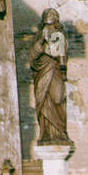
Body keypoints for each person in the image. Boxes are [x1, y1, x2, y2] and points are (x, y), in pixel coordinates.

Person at [31, 9, 69, 145]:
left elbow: (61, 54)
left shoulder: (59, 35)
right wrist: (42, 41)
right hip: (42, 72)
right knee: (43, 100)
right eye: (47, 25)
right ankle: (47, 133)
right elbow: (33, 56)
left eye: (51, 24)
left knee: (58, 98)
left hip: (55, 70)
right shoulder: (39, 37)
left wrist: (61, 63)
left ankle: (60, 131)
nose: (49, 28)